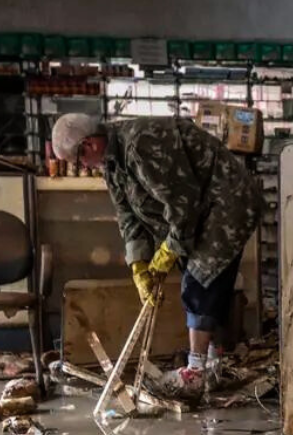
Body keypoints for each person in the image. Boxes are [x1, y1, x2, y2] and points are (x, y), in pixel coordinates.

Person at [51, 113, 262, 399]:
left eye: (77, 161)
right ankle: (212, 367)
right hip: (198, 213)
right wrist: (139, 265)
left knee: (201, 278)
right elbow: (127, 215)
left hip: (225, 202)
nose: (81, 167)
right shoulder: (112, 163)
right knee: (200, 277)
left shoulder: (141, 144)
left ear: (89, 145)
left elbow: (183, 204)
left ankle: (196, 372)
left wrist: (167, 253)